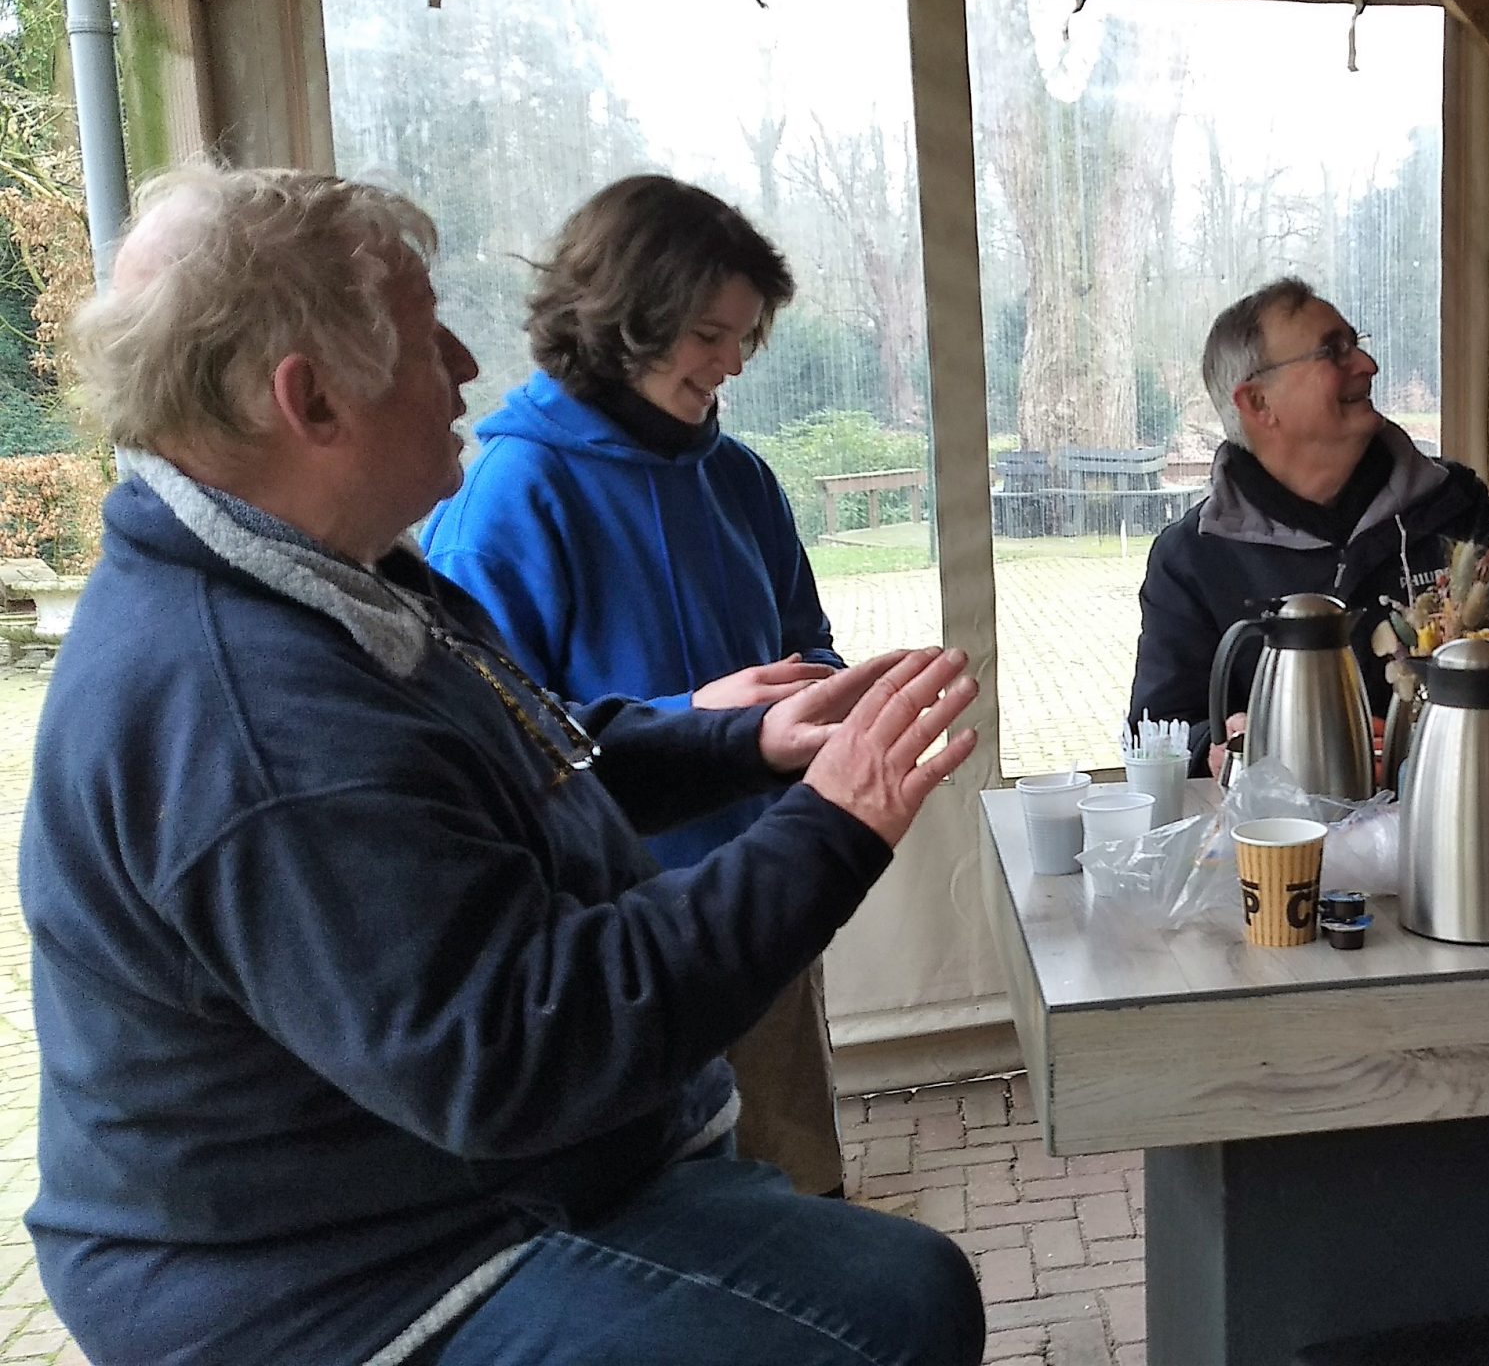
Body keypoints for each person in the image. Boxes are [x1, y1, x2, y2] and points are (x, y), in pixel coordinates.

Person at [19, 166, 986, 1365]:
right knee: (887, 1318)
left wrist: (743, 741)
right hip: (347, 1283)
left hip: (460, 1184)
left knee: (895, 1278)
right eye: (429, 334)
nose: (471, 364)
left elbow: (532, 759)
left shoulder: (332, 578)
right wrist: (835, 824)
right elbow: (523, 1051)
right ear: (309, 400)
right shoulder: (251, 712)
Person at [419, 176, 847, 1195]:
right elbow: (491, 752)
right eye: (709, 332)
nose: (732, 362)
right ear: (619, 322)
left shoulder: (739, 478)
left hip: (763, 903)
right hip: (614, 950)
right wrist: (698, 722)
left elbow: (810, 641)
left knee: (803, 1193)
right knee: (681, 1216)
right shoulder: (509, 496)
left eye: (745, 335)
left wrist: (819, 695)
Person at [1129, 276, 1489, 773]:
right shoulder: (1193, 557)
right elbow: (1158, 730)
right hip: (1281, 840)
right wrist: (1221, 744)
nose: (1367, 366)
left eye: (1355, 344)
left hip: (1457, 808)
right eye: (1333, 351)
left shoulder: (1459, 512)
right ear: (1258, 403)